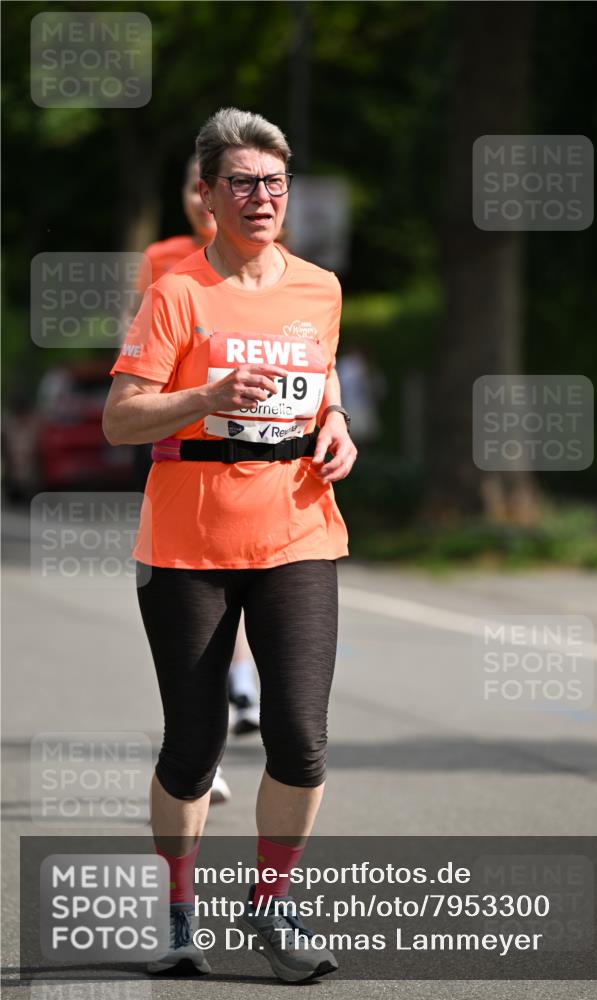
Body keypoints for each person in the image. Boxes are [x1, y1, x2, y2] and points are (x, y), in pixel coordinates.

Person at [103, 106, 357, 983]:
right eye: (243, 182)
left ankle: (271, 911)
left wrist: (339, 427)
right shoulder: (178, 292)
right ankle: (179, 917)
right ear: (207, 195)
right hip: (186, 543)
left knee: (300, 738)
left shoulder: (318, 288)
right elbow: (119, 415)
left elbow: (320, 386)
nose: (261, 197)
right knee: (193, 745)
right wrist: (202, 399)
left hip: (297, 528)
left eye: (274, 183)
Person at [133, 155, 262, 806]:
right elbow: (148, 350)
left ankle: (241, 686)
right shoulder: (163, 262)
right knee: (196, 594)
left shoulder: (271, 262)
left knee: (240, 580)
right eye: (189, 185)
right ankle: (200, 744)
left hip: (258, 457)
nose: (197, 197)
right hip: (181, 446)